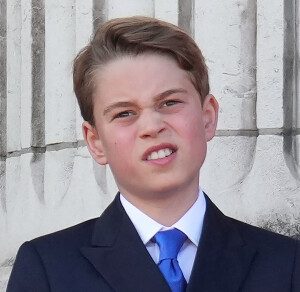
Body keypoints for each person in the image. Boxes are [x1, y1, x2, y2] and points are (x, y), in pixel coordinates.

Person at [7, 16, 300, 292]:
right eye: (124, 113)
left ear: (207, 117)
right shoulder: (48, 269)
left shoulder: (286, 264)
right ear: (95, 141)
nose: (151, 126)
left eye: (169, 103)